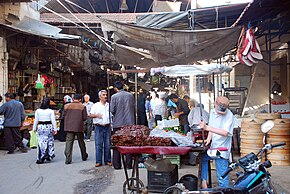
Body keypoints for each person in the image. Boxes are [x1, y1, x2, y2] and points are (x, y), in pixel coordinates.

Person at [199, 96, 234, 188]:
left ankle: (225, 191)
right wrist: (208, 139)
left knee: (222, 177)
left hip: (222, 150)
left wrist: (206, 128)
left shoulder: (229, 115)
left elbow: (225, 132)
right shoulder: (213, 112)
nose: (221, 113)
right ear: (215, 103)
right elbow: (212, 126)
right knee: (203, 158)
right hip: (214, 147)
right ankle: (204, 181)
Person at [110, 81, 134, 169]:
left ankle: (117, 165)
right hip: (129, 123)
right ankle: (128, 164)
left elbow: (112, 110)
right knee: (128, 143)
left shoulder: (114, 97)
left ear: (116, 88)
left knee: (117, 144)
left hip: (118, 123)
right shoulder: (130, 95)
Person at [63, 94, 88, 164]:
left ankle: (68, 159)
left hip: (69, 127)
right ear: (80, 99)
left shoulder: (66, 106)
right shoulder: (82, 107)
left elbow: (63, 115)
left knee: (69, 142)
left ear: (73, 99)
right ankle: (84, 156)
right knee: (81, 142)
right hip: (79, 127)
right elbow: (85, 118)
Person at [90, 90, 112, 167]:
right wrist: (96, 115)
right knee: (98, 144)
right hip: (98, 126)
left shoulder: (109, 105)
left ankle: (108, 160)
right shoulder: (95, 105)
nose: (105, 96)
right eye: (103, 95)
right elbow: (90, 115)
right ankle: (98, 161)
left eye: (106, 95)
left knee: (107, 144)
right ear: (100, 96)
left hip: (107, 126)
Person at [33, 98, 58, 164]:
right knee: (49, 141)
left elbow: (36, 120)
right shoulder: (50, 111)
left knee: (41, 142)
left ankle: (41, 156)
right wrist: (55, 129)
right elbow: (53, 121)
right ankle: (48, 154)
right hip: (49, 126)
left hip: (41, 127)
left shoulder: (38, 111)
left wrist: (34, 128)